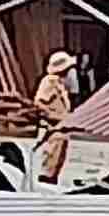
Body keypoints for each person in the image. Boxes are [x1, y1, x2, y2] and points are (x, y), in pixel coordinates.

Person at [33, 50, 75, 185]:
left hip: (61, 128)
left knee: (58, 160)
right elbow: (39, 103)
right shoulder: (49, 81)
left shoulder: (59, 83)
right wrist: (53, 116)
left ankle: (51, 181)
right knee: (50, 160)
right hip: (53, 128)